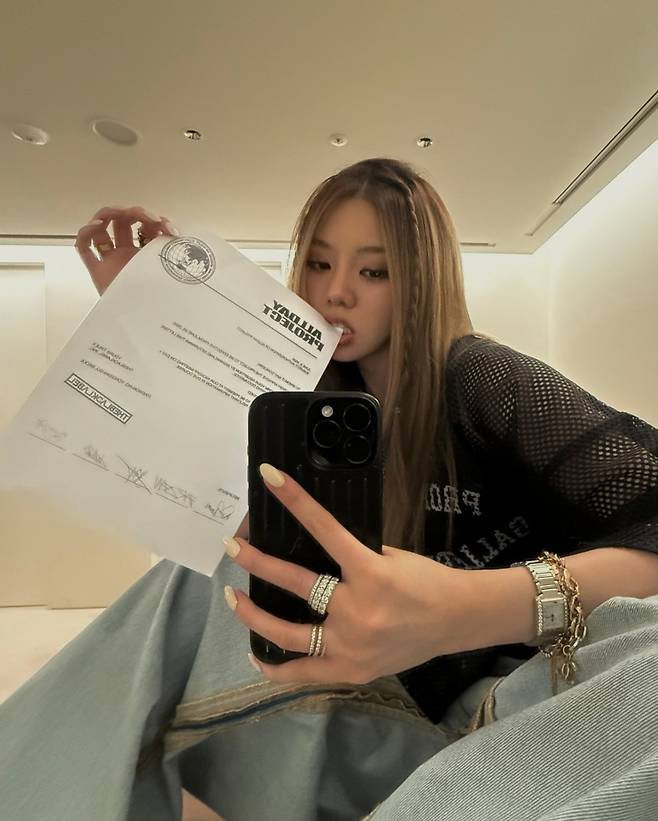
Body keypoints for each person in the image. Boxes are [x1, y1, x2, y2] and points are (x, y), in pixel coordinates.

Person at [1, 158, 657, 821]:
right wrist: (148, 312)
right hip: (388, 700)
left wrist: (467, 606)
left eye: (374, 271)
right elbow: (247, 531)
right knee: (206, 572)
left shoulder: (481, 376)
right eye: (318, 264)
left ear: (421, 281)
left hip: (523, 697)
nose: (336, 292)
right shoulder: (315, 406)